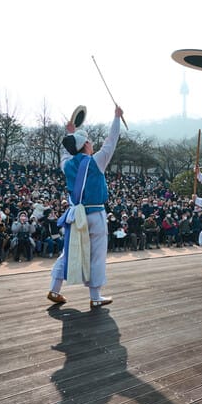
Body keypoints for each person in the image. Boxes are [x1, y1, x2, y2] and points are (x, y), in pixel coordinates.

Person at [47, 105, 123, 309]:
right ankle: (95, 296)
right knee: (97, 254)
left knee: (68, 251)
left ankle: (54, 289)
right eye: (89, 142)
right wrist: (116, 118)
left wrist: (69, 134)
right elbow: (111, 141)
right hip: (95, 213)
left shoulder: (67, 165)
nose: (92, 144)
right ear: (87, 145)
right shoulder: (96, 161)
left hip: (75, 214)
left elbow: (65, 152)